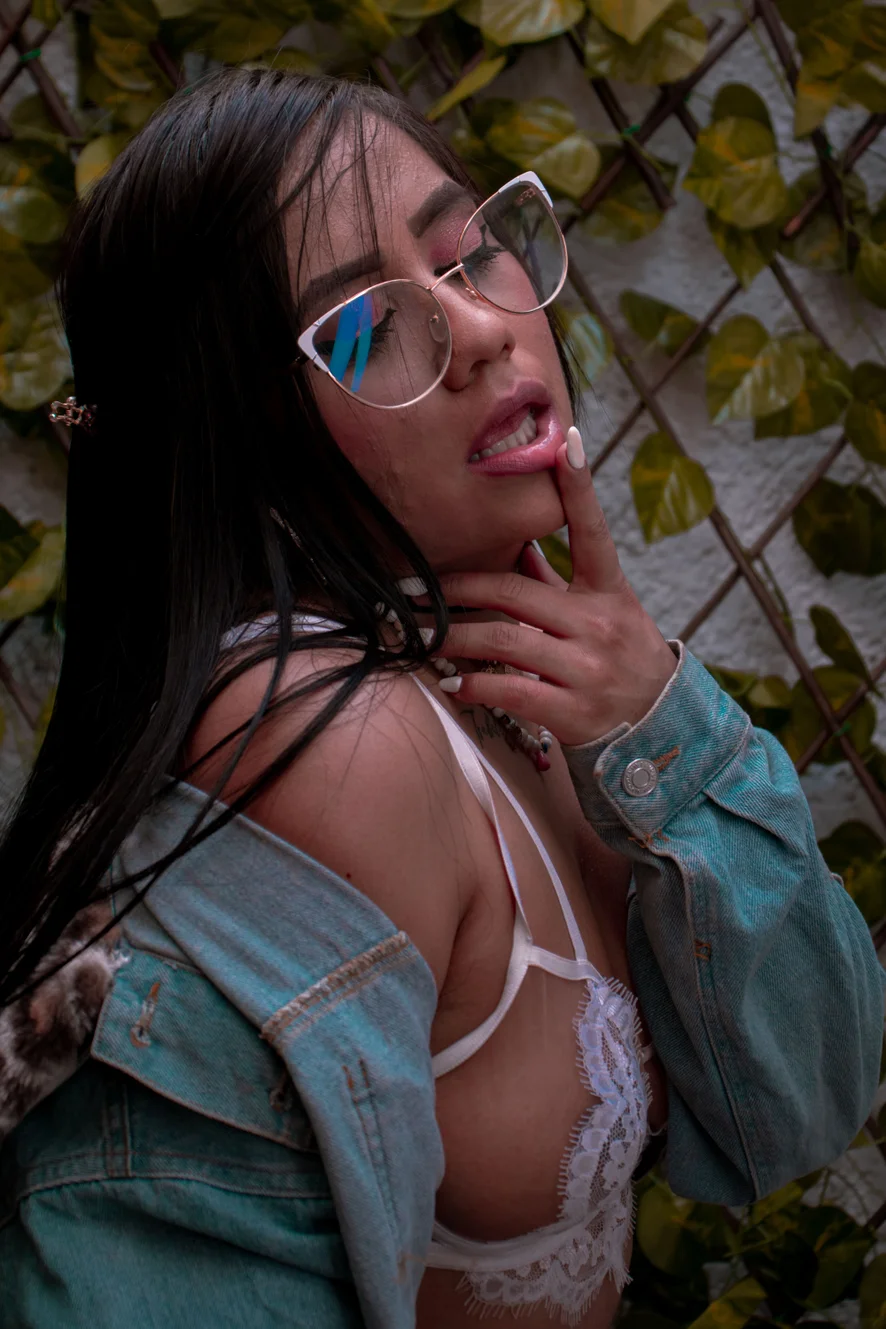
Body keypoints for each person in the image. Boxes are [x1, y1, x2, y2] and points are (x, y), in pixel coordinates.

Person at [0, 67, 882, 1329]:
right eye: (365, 330)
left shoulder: (527, 680)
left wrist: (664, 727)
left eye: (467, 257)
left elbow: (798, 1105)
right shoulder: (337, 747)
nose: (475, 328)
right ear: (241, 439)